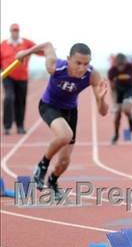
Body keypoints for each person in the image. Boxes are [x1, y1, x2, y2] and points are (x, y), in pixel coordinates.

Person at [15, 42, 109, 199]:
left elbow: (103, 112)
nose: (82, 68)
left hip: (70, 112)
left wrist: (101, 99)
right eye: (78, 63)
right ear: (68, 60)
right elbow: (47, 46)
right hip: (49, 105)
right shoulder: (55, 66)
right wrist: (25, 53)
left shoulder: (92, 76)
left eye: (86, 64)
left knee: (64, 162)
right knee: (65, 135)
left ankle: (52, 181)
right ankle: (42, 166)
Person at [1, 23, 42, 135]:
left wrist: (48, 50)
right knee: (9, 98)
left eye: (17, 30)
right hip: (8, 76)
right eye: (13, 30)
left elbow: (39, 50)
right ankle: (7, 126)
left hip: (22, 77)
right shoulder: (4, 44)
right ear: (10, 31)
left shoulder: (26, 43)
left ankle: (20, 126)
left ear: (18, 32)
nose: (15, 32)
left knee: (21, 101)